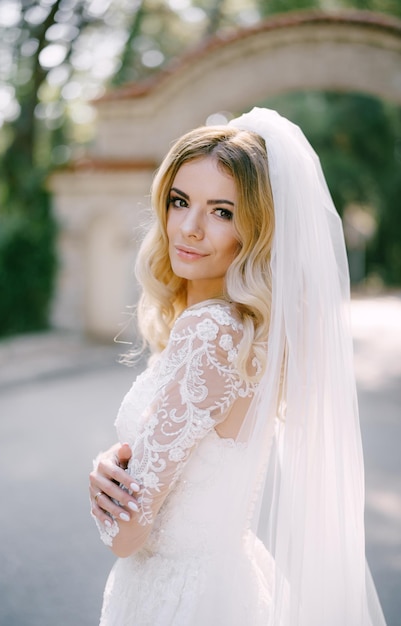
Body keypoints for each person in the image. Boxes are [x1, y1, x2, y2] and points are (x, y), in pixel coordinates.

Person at [89, 107, 387, 625]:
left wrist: (101, 486)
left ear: (255, 229)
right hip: (227, 581)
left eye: (221, 211)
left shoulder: (210, 333)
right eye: (180, 201)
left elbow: (125, 534)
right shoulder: (250, 332)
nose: (190, 226)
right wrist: (116, 468)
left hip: (176, 598)